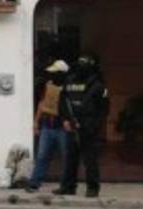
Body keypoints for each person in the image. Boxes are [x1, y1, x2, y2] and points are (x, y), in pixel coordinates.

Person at [56, 54, 110, 198]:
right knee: (70, 159)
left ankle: (92, 188)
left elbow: (103, 109)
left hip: (88, 128)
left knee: (90, 160)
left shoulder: (98, 86)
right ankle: (68, 187)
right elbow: (62, 102)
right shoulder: (69, 82)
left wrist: (94, 126)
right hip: (71, 126)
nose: (81, 68)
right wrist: (65, 120)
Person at [27, 59, 69, 193]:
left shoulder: (69, 88)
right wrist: (35, 122)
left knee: (66, 157)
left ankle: (66, 185)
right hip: (47, 125)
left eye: (55, 73)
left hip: (63, 127)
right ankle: (34, 183)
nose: (52, 76)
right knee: (42, 156)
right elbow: (42, 104)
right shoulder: (48, 85)